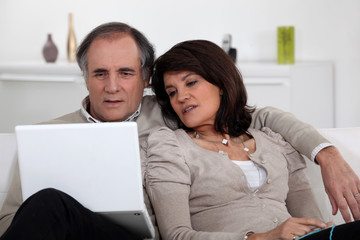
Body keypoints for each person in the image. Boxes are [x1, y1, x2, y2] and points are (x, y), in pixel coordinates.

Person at [0, 22, 358, 239]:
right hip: (79, 232)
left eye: (125, 73)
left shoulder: (174, 112)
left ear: (144, 77)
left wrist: (325, 153)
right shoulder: (48, 135)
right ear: (85, 77)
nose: (112, 87)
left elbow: (258, 117)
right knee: (48, 204)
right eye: (99, 73)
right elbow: (10, 222)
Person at [145, 39, 360, 240]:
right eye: (172, 92)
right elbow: (176, 235)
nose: (181, 96)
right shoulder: (170, 147)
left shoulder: (273, 140)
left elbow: (312, 221)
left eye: (191, 83)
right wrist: (260, 238)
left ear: (220, 83)